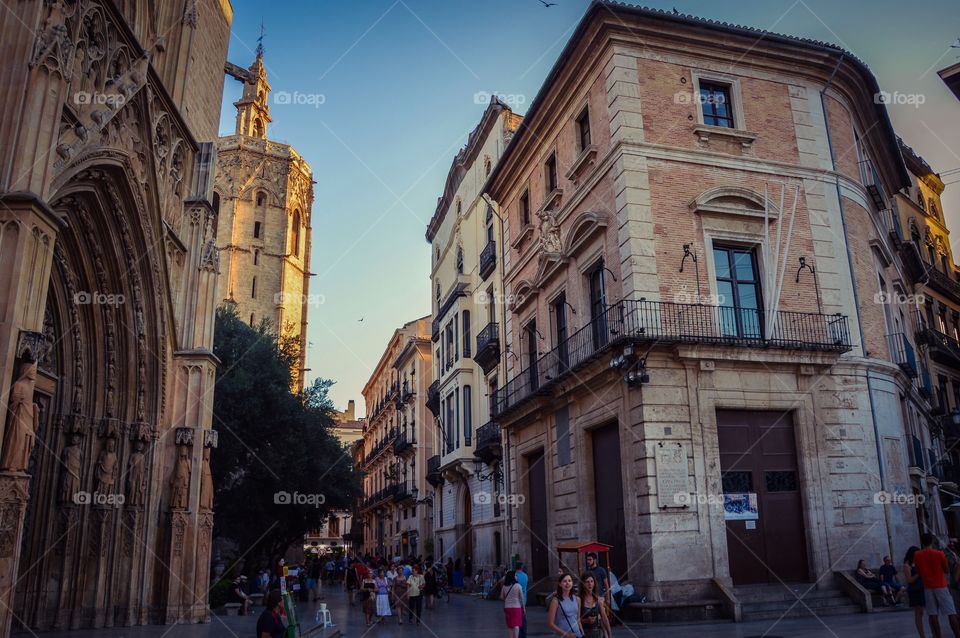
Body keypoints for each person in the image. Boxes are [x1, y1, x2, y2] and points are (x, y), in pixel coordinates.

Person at [914, 533, 960, 638]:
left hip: (928, 586)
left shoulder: (917, 554)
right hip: (941, 585)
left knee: (933, 614)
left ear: (922, 542)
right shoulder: (939, 554)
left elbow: (917, 570)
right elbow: (946, 570)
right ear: (932, 541)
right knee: (951, 612)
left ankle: (937, 636)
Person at [547, 572, 583, 638]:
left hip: (577, 635)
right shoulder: (556, 601)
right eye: (564, 581)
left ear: (572, 583)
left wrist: (582, 633)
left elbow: (578, 619)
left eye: (569, 581)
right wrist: (567, 634)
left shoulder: (577, 599)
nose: (567, 583)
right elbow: (550, 623)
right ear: (560, 584)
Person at [579, 573, 612, 638]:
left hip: (597, 633)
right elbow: (575, 620)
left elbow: (604, 618)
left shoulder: (598, 599)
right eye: (587, 582)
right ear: (583, 584)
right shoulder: (579, 600)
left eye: (592, 581)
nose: (590, 584)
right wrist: (586, 621)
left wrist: (609, 635)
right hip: (584, 634)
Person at [906, 546, 928, 638]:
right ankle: (922, 635)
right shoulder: (907, 565)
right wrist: (919, 573)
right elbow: (909, 580)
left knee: (922, 612)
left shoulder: (918, 562)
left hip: (922, 588)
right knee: (918, 613)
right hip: (914, 589)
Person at [501, 570, 525, 638]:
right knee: (516, 625)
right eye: (515, 575)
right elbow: (522, 598)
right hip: (516, 607)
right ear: (513, 577)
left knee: (510, 625)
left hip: (507, 608)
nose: (516, 576)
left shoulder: (504, 586)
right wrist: (524, 608)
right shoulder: (518, 586)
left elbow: (501, 597)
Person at [515, 563, 530, 638]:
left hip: (516, 600)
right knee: (523, 618)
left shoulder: (515, 576)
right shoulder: (525, 576)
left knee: (517, 621)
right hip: (524, 599)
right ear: (521, 567)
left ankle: (520, 635)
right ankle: (523, 635)